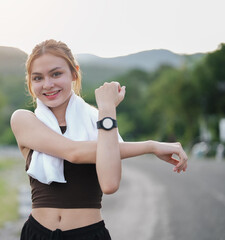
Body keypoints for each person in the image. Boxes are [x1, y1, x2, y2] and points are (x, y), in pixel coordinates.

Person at [11, 39, 188, 240]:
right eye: (37, 78)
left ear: (74, 73)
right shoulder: (24, 120)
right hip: (37, 233)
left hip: (88, 234)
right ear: (30, 82)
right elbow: (74, 152)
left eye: (56, 74)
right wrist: (150, 146)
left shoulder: (101, 121)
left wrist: (106, 109)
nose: (47, 84)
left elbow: (110, 184)